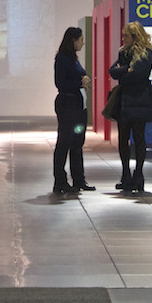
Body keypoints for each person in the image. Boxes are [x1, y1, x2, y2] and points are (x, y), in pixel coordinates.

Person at [109, 22, 152, 193]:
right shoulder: (123, 52)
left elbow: (138, 74)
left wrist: (127, 72)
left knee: (138, 137)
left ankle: (138, 174)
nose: (123, 39)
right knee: (123, 138)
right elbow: (112, 72)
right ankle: (125, 175)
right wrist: (126, 70)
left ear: (135, 36)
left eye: (126, 36)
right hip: (125, 99)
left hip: (140, 99)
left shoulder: (146, 53)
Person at [53, 27, 92, 194]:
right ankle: (60, 181)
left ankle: (79, 179)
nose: (83, 43)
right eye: (81, 39)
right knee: (64, 142)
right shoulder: (62, 58)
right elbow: (60, 84)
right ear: (73, 40)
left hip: (78, 106)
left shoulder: (73, 58)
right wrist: (80, 82)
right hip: (67, 105)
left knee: (77, 143)